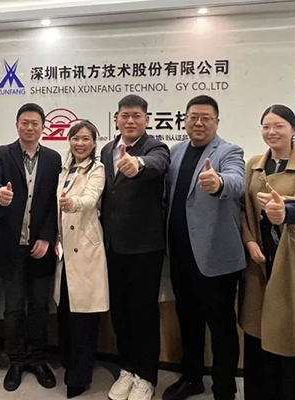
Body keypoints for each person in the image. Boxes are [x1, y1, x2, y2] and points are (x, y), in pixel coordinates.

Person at [240, 105, 295, 400]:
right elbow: (243, 209)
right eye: (266, 126)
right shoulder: (254, 165)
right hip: (259, 258)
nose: (271, 132)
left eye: (279, 126)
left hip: (294, 259)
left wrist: (284, 209)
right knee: (258, 331)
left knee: (292, 331)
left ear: (294, 130)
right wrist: (249, 240)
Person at [163, 95, 246, 400]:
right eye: (193, 117)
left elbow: (237, 180)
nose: (198, 123)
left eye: (206, 118)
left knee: (221, 326)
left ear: (217, 122)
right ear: (185, 120)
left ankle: (224, 389)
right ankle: (192, 378)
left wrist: (219, 182)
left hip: (215, 256)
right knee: (189, 321)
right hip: (180, 255)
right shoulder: (176, 151)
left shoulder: (229, 151)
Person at [0, 103, 62, 392]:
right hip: (10, 245)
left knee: (40, 306)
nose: (29, 128)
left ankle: (38, 358)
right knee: (14, 308)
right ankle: (16, 360)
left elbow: (54, 202)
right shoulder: (2, 154)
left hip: (40, 244)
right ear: (17, 125)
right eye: (24, 123)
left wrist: (47, 237)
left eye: (35, 123)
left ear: (43, 127)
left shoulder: (53, 158)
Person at [101, 95, 170, 400]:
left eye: (136, 116)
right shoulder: (107, 149)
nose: (130, 120)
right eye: (125, 115)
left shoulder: (156, 148)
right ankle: (126, 369)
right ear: (116, 119)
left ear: (147, 120)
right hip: (112, 246)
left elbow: (157, 165)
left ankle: (146, 376)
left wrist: (138, 164)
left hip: (144, 248)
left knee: (143, 314)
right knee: (120, 312)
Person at [54, 120, 109, 399]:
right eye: (75, 138)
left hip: (86, 251)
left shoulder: (97, 169)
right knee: (66, 312)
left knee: (84, 318)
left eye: (86, 139)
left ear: (94, 143)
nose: (80, 143)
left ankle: (80, 376)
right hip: (65, 253)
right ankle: (69, 363)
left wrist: (72, 203)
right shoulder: (65, 170)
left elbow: (90, 198)